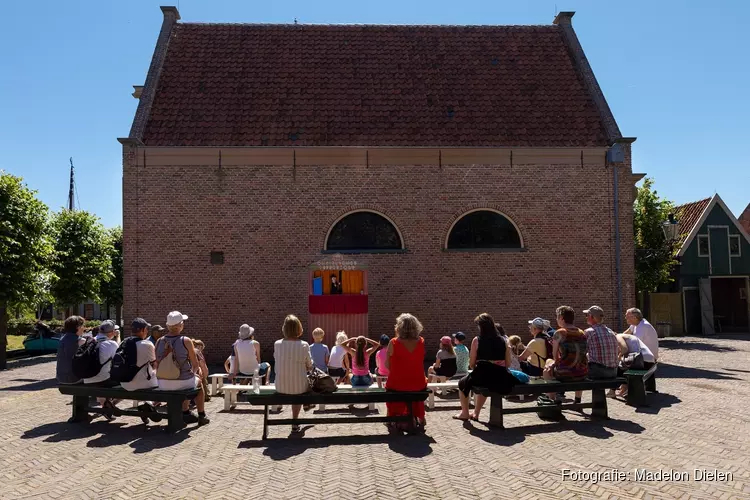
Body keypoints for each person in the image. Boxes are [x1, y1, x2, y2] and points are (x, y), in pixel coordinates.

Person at [454, 313, 515, 422]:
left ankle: (465, 413)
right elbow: (508, 364)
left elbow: (472, 363)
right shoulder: (503, 340)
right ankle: (476, 413)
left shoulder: (477, 340)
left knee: (462, 383)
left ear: (481, 327)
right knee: (487, 383)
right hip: (501, 376)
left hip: (483, 374)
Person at [155, 311, 210, 426]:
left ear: (167, 326)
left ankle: (185, 412)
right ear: (180, 325)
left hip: (162, 383)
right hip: (182, 382)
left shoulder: (159, 341)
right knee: (198, 384)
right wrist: (196, 373)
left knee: (188, 379)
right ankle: (201, 415)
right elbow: (195, 364)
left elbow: (156, 364)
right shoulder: (186, 340)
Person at [385, 313, 428, 434]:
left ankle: (392, 418)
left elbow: (388, 365)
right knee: (416, 390)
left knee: (391, 389)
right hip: (418, 383)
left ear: (399, 327)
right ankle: (420, 417)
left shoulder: (393, 342)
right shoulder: (421, 341)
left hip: (397, 384)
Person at [274, 314, 313, 433]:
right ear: (299, 328)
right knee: (303, 385)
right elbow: (309, 366)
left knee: (296, 382)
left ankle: (306, 404)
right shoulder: (304, 345)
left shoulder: (277, 344)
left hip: (280, 385)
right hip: (299, 387)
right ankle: (295, 421)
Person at [542, 306, 588, 404]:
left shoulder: (560, 332)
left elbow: (556, 358)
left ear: (562, 318)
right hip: (582, 373)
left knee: (548, 364)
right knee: (577, 364)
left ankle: (551, 399)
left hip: (565, 373)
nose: (556, 319)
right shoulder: (582, 333)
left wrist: (552, 363)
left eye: (557, 317)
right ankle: (577, 399)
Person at [573, 306, 619, 404]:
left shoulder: (589, 332)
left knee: (577, 368)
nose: (586, 318)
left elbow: (580, 352)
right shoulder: (611, 332)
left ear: (591, 317)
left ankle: (577, 401)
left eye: (587, 315)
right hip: (613, 372)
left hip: (598, 372)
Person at [83, 320, 121, 417]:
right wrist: (118, 337)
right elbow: (118, 356)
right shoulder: (111, 344)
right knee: (125, 382)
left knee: (101, 380)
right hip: (102, 380)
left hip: (87, 379)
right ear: (112, 332)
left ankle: (106, 404)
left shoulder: (89, 341)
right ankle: (108, 405)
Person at [612, 333, 656, 397]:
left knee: (618, 368)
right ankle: (623, 389)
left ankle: (612, 390)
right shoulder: (629, 336)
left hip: (641, 361)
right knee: (624, 366)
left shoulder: (618, 336)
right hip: (650, 362)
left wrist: (618, 358)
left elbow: (624, 349)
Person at [121, 317, 158, 392]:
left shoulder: (123, 342)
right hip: (142, 383)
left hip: (124, 382)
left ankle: (114, 401)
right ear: (143, 330)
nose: (147, 331)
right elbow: (155, 365)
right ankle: (155, 402)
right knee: (163, 377)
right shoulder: (148, 344)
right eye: (147, 329)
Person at [56, 315, 86, 385]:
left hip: (60, 377)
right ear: (78, 327)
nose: (84, 328)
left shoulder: (62, 339)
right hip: (74, 378)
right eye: (83, 326)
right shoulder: (81, 341)